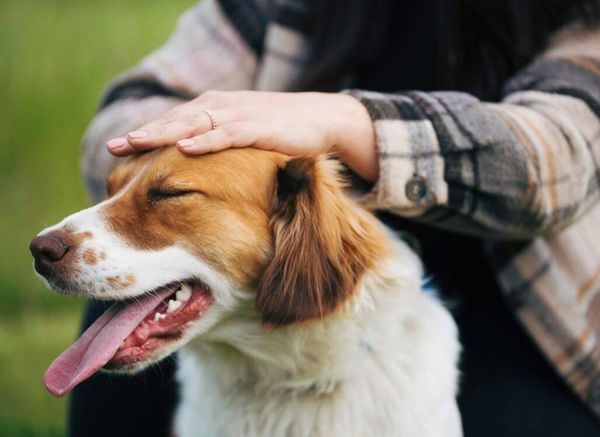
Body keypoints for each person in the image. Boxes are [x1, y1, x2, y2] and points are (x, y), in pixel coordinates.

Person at [72, 0, 600, 435]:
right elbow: (130, 105)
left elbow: (560, 159)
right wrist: (196, 144)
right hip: (253, 305)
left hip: (530, 325)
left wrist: (341, 122)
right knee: (112, 326)